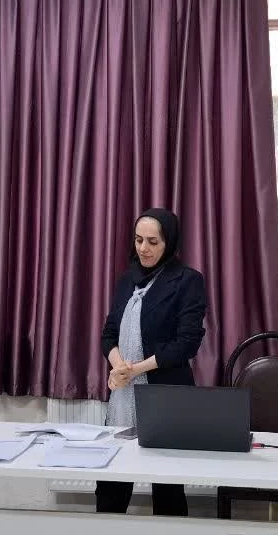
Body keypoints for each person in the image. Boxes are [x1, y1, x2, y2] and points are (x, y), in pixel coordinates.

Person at [96, 208, 207, 516]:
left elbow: (186, 343)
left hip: (166, 395)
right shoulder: (126, 281)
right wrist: (119, 365)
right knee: (110, 484)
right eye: (138, 240)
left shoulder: (187, 281)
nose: (143, 248)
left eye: (153, 242)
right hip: (122, 395)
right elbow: (108, 333)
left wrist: (134, 370)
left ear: (169, 243)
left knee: (167, 489)